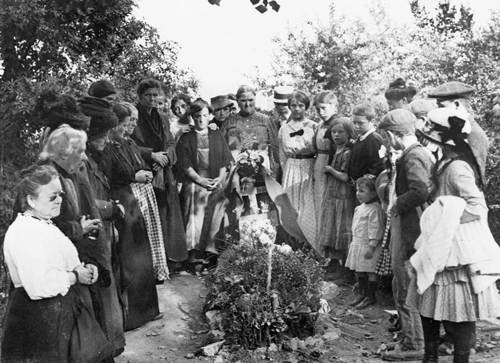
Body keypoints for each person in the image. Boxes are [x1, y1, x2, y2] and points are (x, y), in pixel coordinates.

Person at [408, 106, 500, 363]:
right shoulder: (445, 162)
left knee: (460, 309)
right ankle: (431, 356)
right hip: (439, 239)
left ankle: (460, 358)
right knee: (428, 300)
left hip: (455, 246)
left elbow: (477, 207)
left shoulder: (458, 167)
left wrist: (446, 213)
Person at [2, 164, 102, 362]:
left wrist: (84, 270)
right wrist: (75, 276)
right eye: (52, 196)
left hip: (56, 315)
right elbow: (39, 286)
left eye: (60, 194)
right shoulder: (25, 232)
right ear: (31, 200)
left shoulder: (45, 224)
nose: (59, 201)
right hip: (37, 320)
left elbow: (63, 262)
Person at [104, 102, 167, 330]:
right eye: (123, 124)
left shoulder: (128, 142)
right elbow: (111, 176)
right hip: (124, 202)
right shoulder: (108, 147)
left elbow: (138, 161)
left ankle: (148, 311)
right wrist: (135, 175)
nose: (126, 128)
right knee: (130, 259)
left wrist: (143, 173)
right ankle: (132, 317)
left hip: (135, 201)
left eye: (128, 123)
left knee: (142, 255)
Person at [377, 109, 434, 359]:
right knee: (402, 282)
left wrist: (397, 204)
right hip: (410, 225)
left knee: (406, 284)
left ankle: (414, 344)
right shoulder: (413, 154)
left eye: (387, 136)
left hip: (412, 226)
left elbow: (420, 190)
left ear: (393, 135)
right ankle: (410, 337)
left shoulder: (413, 156)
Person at [80, 96, 126, 356]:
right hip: (93, 236)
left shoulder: (94, 159)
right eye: (104, 135)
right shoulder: (83, 162)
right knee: (102, 294)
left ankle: (111, 346)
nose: (107, 140)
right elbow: (87, 202)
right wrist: (111, 210)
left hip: (103, 232)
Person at [132, 78, 188, 267]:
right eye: (148, 95)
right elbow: (128, 144)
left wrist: (165, 156)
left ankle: (168, 260)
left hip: (164, 173)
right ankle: (151, 262)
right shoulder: (134, 116)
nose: (152, 99)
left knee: (167, 215)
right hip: (143, 173)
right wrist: (151, 155)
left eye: (155, 95)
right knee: (148, 216)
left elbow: (171, 142)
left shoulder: (162, 118)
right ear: (140, 97)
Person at [176, 99, 233, 267]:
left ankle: (211, 252)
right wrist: (200, 180)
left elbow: (225, 160)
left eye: (205, 115)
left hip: (215, 180)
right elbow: (184, 164)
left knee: (217, 211)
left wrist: (220, 178)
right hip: (195, 181)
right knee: (195, 214)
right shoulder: (186, 137)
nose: (201, 119)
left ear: (210, 116)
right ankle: (194, 255)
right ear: (192, 117)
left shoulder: (216, 134)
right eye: (198, 116)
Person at [427, 81, 489, 187]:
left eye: (441, 106)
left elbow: (474, 178)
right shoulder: (452, 130)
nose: (438, 111)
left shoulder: (473, 134)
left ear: (456, 104)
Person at [278, 90, 318, 250]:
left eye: (300, 105)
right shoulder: (284, 128)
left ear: (306, 107)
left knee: (307, 207)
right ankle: (293, 247)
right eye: (293, 105)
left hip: (308, 166)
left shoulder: (313, 126)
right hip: (291, 168)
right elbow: (281, 154)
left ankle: (309, 246)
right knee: (291, 207)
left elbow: (317, 149)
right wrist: (284, 172)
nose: (297, 109)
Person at [319, 118, 355, 274]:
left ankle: (344, 267)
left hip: (342, 194)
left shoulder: (347, 152)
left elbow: (345, 177)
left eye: (341, 132)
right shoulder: (337, 150)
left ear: (348, 134)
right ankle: (333, 262)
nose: (336, 135)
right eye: (334, 132)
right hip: (333, 193)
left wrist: (330, 170)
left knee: (341, 226)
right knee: (332, 225)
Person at [345, 175, 384, 309]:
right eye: (357, 190)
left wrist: (372, 246)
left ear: (373, 193)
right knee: (359, 270)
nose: (358, 194)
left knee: (370, 271)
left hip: (368, 246)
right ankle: (361, 293)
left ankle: (370, 296)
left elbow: (376, 228)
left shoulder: (375, 209)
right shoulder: (359, 208)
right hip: (357, 244)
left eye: (362, 191)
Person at [313, 90, 340, 223]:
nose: (321, 112)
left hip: (331, 165)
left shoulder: (338, 124)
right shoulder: (319, 126)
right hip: (319, 164)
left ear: (334, 107)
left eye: (324, 108)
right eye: (318, 109)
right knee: (319, 199)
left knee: (329, 201)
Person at [348, 104, 384, 183]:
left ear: (372, 121)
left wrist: (366, 180)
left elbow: (377, 164)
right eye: (354, 123)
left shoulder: (374, 139)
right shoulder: (360, 137)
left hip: (367, 186)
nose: (356, 126)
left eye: (360, 123)